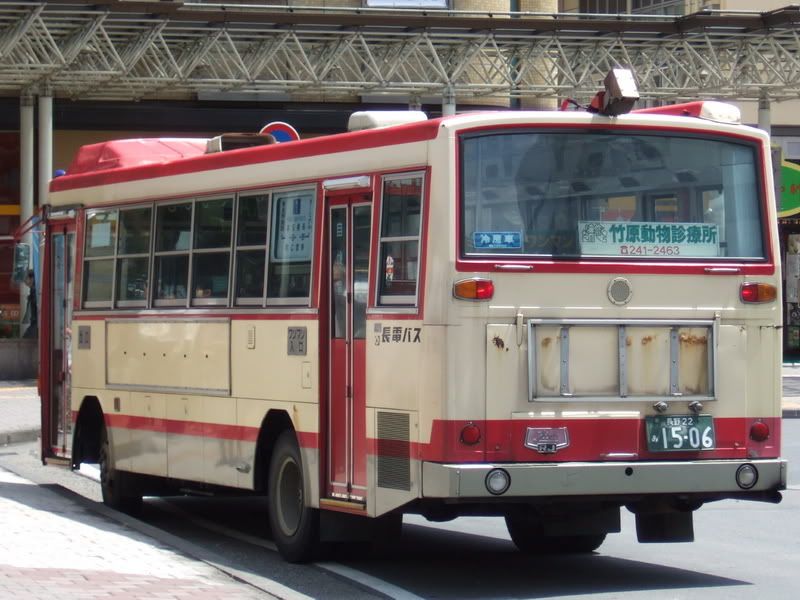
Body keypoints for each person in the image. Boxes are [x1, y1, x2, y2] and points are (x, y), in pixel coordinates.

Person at [22, 270, 37, 339]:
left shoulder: (34, 290)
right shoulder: (33, 290)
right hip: (34, 321)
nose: (25, 282)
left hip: (35, 321)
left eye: (26, 279)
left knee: (26, 339)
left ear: (32, 278)